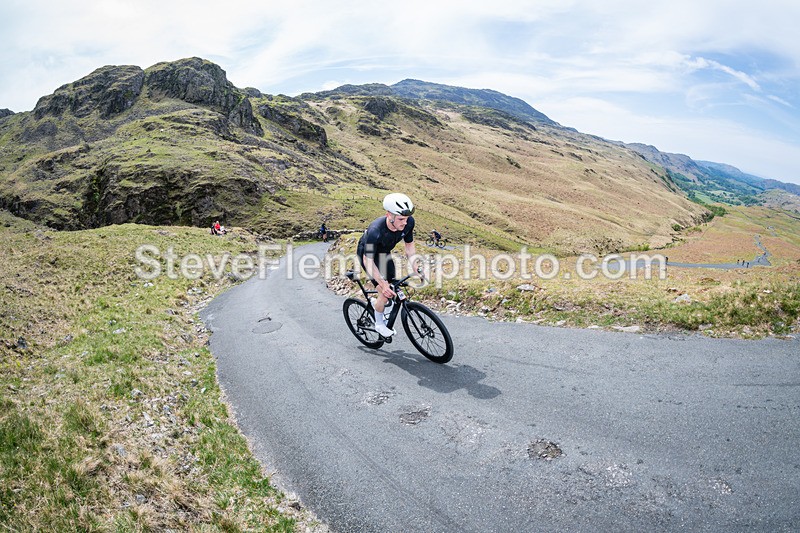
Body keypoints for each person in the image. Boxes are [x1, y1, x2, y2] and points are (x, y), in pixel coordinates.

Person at [357, 192, 423, 337]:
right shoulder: (375, 231)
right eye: (401, 219)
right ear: (389, 215)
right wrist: (381, 283)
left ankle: (380, 305)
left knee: (393, 283)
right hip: (368, 257)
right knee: (384, 291)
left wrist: (415, 266)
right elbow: (368, 261)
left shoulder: (408, 223)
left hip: (384, 254)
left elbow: (409, 246)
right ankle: (379, 324)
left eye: (406, 218)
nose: (405, 223)